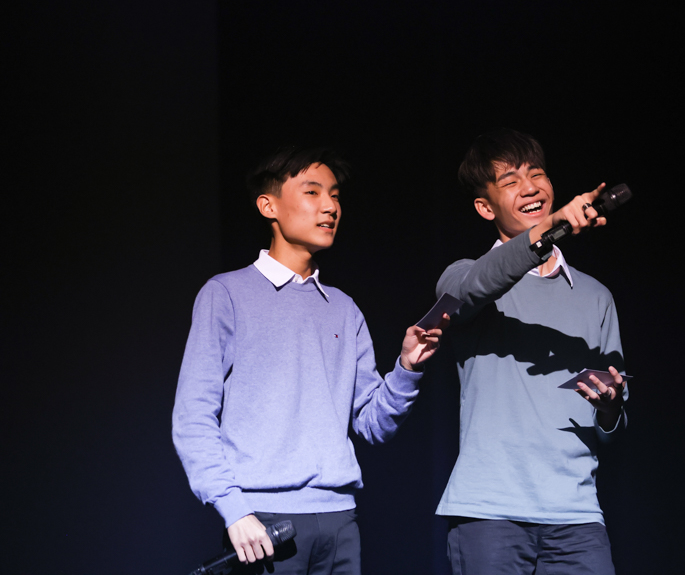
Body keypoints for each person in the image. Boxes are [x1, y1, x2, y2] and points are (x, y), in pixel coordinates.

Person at [172, 146, 446, 575]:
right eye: (313, 192)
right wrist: (233, 508)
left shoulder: (343, 308)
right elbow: (193, 416)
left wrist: (407, 368)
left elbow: (373, 424)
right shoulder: (226, 294)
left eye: (335, 195)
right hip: (263, 521)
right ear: (269, 206)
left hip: (340, 520)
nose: (330, 206)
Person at [436, 129, 628, 575]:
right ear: (485, 207)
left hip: (577, 518)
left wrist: (610, 407)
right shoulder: (463, 277)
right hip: (490, 513)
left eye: (537, 175)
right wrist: (549, 227)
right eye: (510, 181)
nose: (530, 188)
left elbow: (614, 428)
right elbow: (473, 289)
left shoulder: (596, 296)